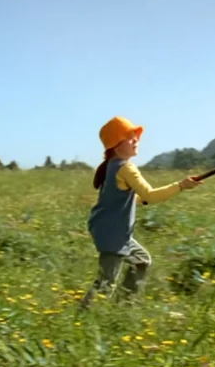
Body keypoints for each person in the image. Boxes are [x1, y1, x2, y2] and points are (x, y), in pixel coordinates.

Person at [82, 117, 202, 308]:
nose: (136, 140)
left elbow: (119, 198)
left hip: (109, 228)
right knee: (107, 282)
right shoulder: (125, 168)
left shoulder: (112, 167)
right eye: (130, 138)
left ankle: (123, 305)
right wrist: (181, 185)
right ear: (116, 145)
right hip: (113, 232)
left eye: (135, 136)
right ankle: (84, 316)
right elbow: (151, 195)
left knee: (141, 261)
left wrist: (139, 200)